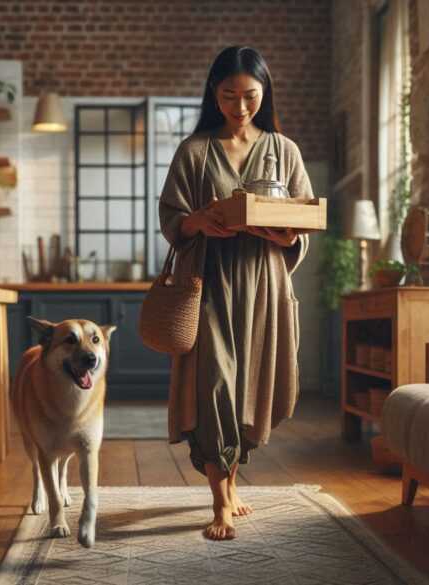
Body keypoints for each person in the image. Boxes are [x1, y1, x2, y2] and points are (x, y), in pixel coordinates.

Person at [159, 46, 313, 541]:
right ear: (213, 93)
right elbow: (172, 218)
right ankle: (220, 499)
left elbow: (303, 218)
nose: (240, 106)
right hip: (208, 281)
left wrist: (290, 236)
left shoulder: (284, 150)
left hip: (264, 285)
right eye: (229, 95)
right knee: (214, 385)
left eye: (249, 95)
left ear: (264, 93)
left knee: (248, 385)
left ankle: (232, 481)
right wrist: (199, 220)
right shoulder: (195, 150)